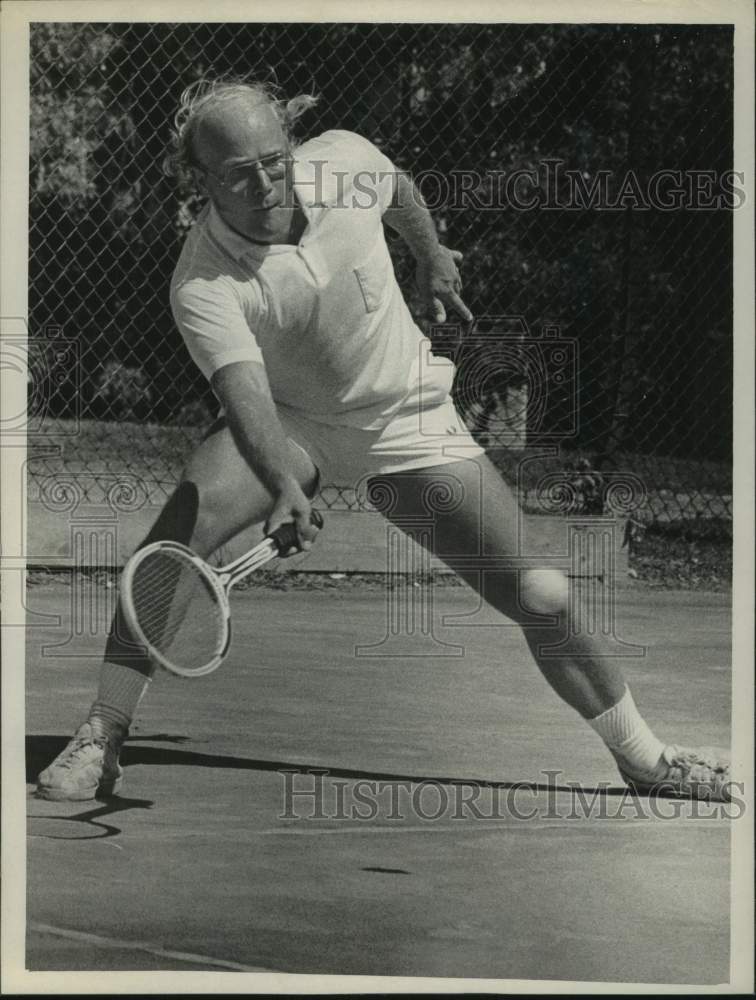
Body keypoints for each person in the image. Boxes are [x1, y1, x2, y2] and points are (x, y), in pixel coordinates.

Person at [37, 79, 730, 803]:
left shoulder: (343, 162)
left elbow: (395, 187)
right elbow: (244, 399)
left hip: (407, 415)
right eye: (238, 174)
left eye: (273, 160)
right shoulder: (204, 280)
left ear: (292, 145)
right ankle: (102, 734)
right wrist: (281, 486)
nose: (264, 183)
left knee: (541, 590)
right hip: (292, 418)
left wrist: (430, 253)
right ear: (201, 179)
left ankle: (648, 760)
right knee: (181, 531)